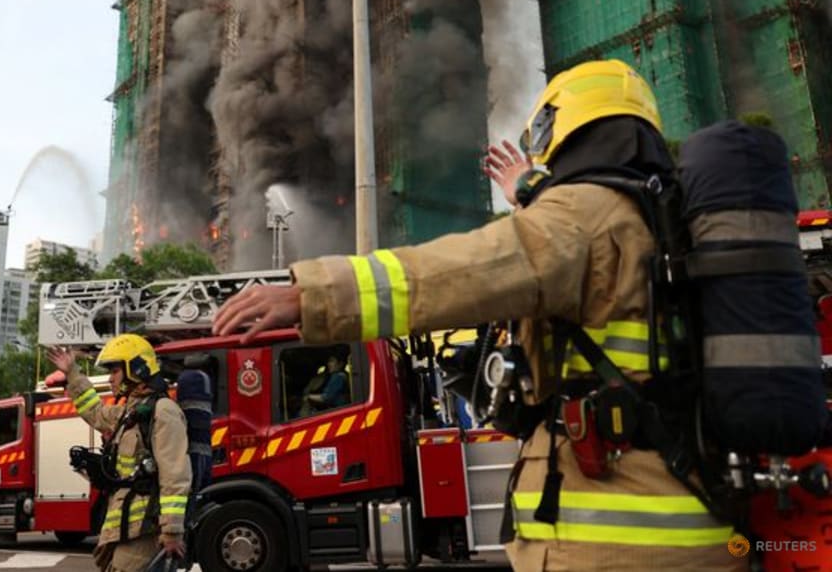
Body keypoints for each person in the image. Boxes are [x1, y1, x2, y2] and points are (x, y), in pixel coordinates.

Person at [212, 59, 746, 572]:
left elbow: (457, 273)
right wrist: (530, 198)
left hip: (612, 540)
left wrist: (313, 295)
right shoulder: (669, 219)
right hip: (694, 515)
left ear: (563, 128)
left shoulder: (586, 215)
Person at [47, 334, 191, 572]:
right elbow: (94, 411)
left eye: (114, 371)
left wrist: (172, 529)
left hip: (146, 528)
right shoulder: (130, 412)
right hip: (126, 525)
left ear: (136, 370)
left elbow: (174, 474)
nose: (110, 378)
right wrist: (72, 372)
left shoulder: (163, 412)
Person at [299, 352, 349, 417]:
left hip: (337, 412)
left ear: (340, 364)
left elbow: (326, 398)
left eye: (332, 361)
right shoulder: (334, 376)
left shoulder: (338, 377)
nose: (328, 364)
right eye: (328, 362)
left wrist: (308, 397)